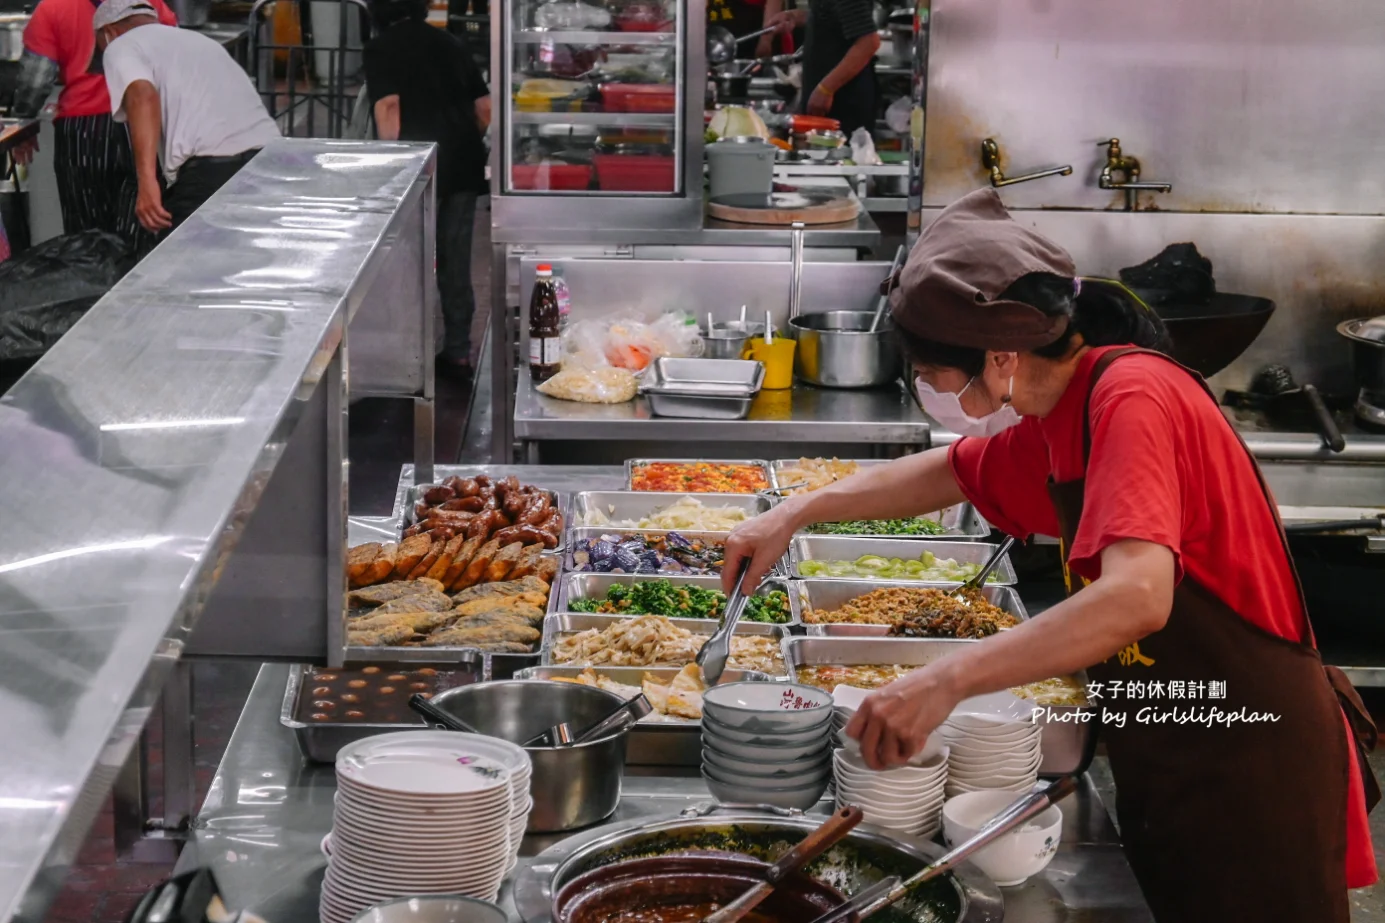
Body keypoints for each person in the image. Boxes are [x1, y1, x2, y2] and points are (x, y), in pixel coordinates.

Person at [723, 187, 1380, 922]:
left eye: (931, 372)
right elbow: (956, 470)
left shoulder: (1130, 396)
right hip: (1167, 743)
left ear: (1000, 353)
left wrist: (943, 682)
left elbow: (1138, 596)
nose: (927, 388)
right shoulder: (1060, 407)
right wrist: (795, 511)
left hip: (1249, 760)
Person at [364, 0, 490, 381]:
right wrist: (460, 140)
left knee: (411, 262)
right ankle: (457, 349)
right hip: (462, 161)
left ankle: (407, 355)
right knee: (455, 259)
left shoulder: (381, 47)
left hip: (418, 166)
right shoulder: (450, 42)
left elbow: (388, 109)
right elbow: (484, 108)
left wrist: (393, 165)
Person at [93, 0, 280, 232]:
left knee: (189, 264)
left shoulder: (121, 45)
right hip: (269, 159)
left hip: (211, 170)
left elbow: (142, 96)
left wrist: (147, 182)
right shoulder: (201, 42)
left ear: (108, 32)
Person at [16, 0, 178, 250]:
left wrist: (25, 124)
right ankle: (132, 284)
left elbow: (36, 79)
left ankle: (95, 287)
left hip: (82, 132)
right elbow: (174, 53)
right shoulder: (146, 3)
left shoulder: (54, 7)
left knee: (87, 238)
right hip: (140, 122)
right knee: (142, 227)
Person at [764, 0, 878, 134]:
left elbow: (868, 42)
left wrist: (826, 89)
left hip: (844, 103)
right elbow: (832, 17)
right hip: (828, 101)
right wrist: (796, 17)